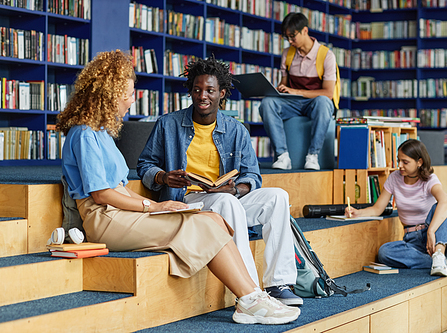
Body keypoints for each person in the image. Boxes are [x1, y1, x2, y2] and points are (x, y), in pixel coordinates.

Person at [56, 50, 300, 325]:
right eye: (128, 93)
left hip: (120, 212)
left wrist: (154, 209)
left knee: (212, 218)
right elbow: (101, 194)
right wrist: (154, 204)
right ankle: (249, 299)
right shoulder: (84, 133)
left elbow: (118, 189)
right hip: (104, 219)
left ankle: (253, 296)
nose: (132, 99)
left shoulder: (99, 132)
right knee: (205, 223)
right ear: (110, 93)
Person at [136, 56, 302, 306]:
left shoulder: (236, 130)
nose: (203, 96)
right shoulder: (167, 124)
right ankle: (250, 292)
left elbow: (253, 176)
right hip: (187, 201)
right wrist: (163, 176)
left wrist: (236, 188)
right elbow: (144, 165)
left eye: (210, 90)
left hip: (226, 198)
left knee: (278, 196)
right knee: (226, 201)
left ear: (221, 93)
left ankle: (279, 283)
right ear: (191, 91)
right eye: (197, 89)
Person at [345, 139, 447, 277]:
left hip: (434, 236)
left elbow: (446, 201)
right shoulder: (394, 178)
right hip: (411, 240)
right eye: (399, 160)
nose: (399, 166)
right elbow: (377, 209)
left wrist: (431, 231)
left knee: (442, 207)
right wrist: (357, 213)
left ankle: (439, 254)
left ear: (419, 162)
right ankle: (444, 262)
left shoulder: (429, 179)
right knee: (384, 253)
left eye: (405, 162)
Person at [259, 12, 338, 170]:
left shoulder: (326, 56)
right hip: (292, 103)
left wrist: (295, 91)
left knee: (323, 102)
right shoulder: (287, 54)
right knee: (267, 103)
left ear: (305, 31)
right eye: (286, 37)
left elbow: (328, 93)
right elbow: (284, 84)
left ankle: (313, 156)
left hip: (315, 103)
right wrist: (273, 90)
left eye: (292, 36)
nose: (289, 41)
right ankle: (282, 156)